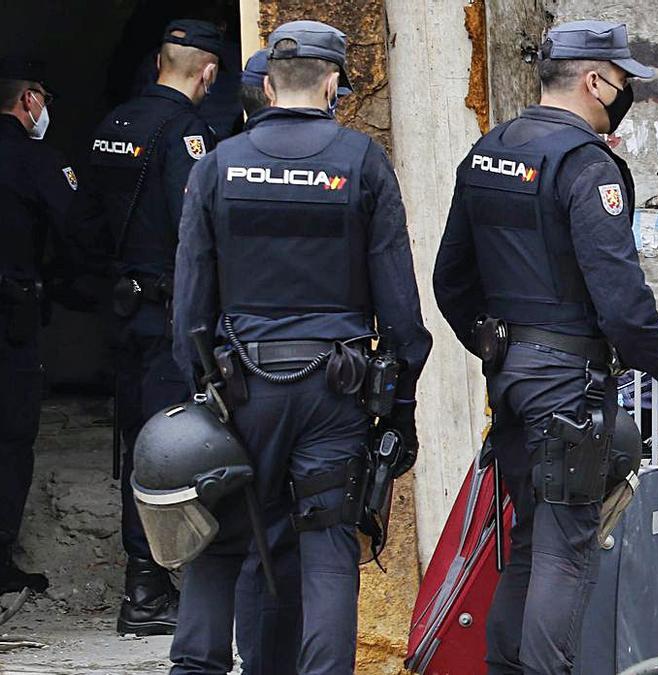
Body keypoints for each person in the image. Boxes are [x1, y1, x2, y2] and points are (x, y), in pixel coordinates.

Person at [433, 20, 658, 675]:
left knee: (525, 541)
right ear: (594, 79)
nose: (626, 90)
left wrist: (498, 350)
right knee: (563, 548)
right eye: (623, 78)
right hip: (566, 386)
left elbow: (450, 280)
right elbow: (621, 301)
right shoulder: (585, 165)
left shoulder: (488, 151)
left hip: (513, 381)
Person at [171, 20, 432, 674]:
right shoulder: (363, 164)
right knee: (326, 551)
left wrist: (201, 399)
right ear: (333, 79)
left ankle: (195, 667)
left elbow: (189, 306)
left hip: (238, 390)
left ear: (267, 83)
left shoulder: (216, 167)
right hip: (333, 394)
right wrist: (399, 407)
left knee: (224, 541)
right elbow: (401, 312)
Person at [84, 18, 222, 636]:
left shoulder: (112, 126)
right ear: (209, 72)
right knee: (171, 454)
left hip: (123, 312)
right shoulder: (185, 134)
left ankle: (145, 582)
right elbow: (196, 234)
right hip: (170, 317)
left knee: (140, 445)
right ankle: (148, 589)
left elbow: (83, 226)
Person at [0, 56, 80, 599]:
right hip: (11, 322)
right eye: (44, 99)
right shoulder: (36, 161)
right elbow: (80, 232)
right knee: (10, 438)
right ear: (29, 100)